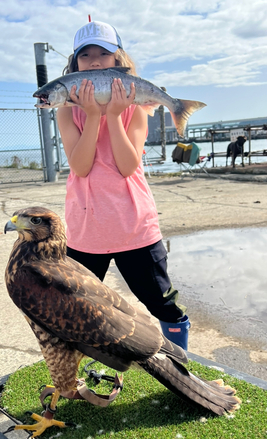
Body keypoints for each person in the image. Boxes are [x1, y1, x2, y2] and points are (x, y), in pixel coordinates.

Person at [56, 20, 190, 349]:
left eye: (104, 52)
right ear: (74, 65)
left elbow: (128, 166)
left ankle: (182, 365)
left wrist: (114, 115)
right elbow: (81, 166)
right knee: (77, 308)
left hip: (135, 226)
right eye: (85, 55)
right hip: (85, 230)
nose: (95, 60)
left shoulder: (137, 109)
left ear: (118, 60)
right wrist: (92, 116)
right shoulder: (65, 112)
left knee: (163, 303)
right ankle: (89, 367)